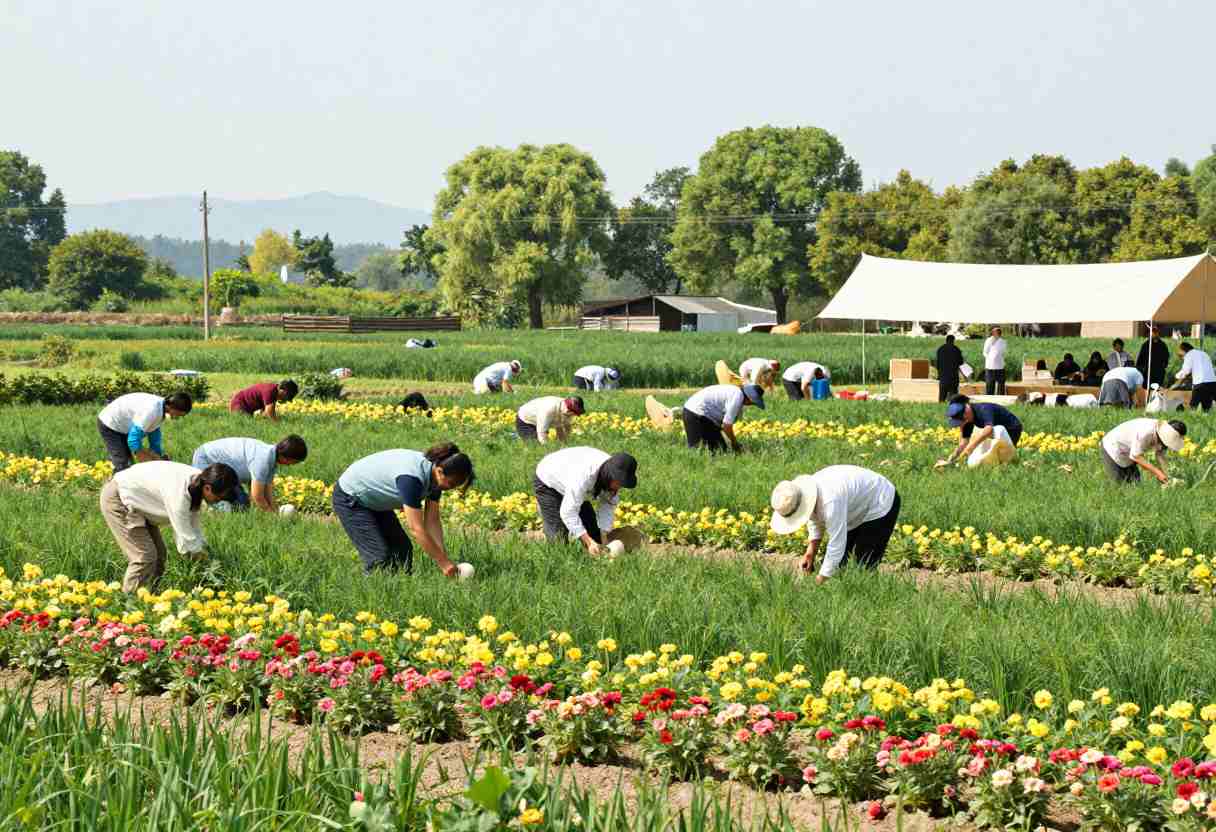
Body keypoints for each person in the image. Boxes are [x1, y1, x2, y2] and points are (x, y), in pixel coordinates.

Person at [332, 444, 474, 576]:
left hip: (374, 500)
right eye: (451, 483)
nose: (451, 487)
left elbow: (432, 520)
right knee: (379, 558)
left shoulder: (436, 479)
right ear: (439, 471)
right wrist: (444, 564)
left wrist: (442, 557)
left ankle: (397, 589)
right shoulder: (411, 479)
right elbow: (416, 529)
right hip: (351, 497)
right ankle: (369, 595)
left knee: (402, 550)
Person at [99, 461, 237, 592]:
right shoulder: (180, 494)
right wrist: (207, 565)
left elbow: (194, 529)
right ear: (208, 488)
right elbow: (186, 538)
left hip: (141, 501)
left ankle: (150, 599)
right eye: (218, 498)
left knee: (160, 556)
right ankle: (130, 605)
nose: (218, 502)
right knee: (144, 557)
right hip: (120, 498)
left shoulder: (198, 483)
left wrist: (205, 551)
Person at [768, 465, 900, 584]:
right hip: (854, 504)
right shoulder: (806, 495)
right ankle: (842, 590)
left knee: (864, 564)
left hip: (881, 501)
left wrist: (819, 582)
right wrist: (810, 553)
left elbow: (837, 544)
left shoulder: (830, 502)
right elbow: (814, 517)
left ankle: (867, 597)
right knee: (838, 564)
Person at [533, 447, 638, 553]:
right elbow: (568, 512)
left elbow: (607, 506)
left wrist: (604, 538)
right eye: (618, 482)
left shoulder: (612, 476)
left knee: (594, 532)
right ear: (609, 475)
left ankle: (594, 558)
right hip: (548, 479)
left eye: (622, 483)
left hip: (572, 483)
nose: (619, 487)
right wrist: (589, 542)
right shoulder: (585, 476)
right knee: (559, 538)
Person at [191, 435, 308, 512]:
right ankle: (206, 510)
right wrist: (273, 518)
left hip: (226, 475)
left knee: (242, 503)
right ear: (287, 457)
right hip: (207, 460)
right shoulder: (263, 459)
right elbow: (257, 497)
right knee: (221, 506)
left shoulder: (272, 460)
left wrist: (275, 511)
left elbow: (268, 493)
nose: (292, 465)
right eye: (294, 462)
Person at [97, 392, 193, 473]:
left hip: (125, 425)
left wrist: (158, 458)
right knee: (123, 465)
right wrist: (145, 461)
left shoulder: (162, 408)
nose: (178, 418)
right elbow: (133, 440)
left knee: (129, 462)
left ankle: (114, 465)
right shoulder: (151, 411)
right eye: (179, 415)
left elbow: (154, 436)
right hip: (111, 423)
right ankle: (114, 491)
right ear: (172, 407)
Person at [938, 394, 1023, 467]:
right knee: (973, 462)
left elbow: (989, 429)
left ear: (967, 410)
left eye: (961, 422)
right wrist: (953, 457)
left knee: (998, 430)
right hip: (995, 434)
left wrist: (972, 446)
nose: (961, 425)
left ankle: (1010, 459)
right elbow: (964, 442)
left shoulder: (983, 409)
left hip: (1011, 430)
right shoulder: (967, 420)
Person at [681, 383, 765, 453]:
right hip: (695, 413)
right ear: (749, 398)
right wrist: (734, 443)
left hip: (702, 415)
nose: (751, 405)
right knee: (697, 449)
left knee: (719, 449)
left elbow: (722, 423)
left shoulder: (735, 392)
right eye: (753, 403)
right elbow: (726, 425)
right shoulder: (737, 397)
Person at [1099, 417, 1186, 484]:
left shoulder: (1162, 435)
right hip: (1112, 448)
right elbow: (1135, 456)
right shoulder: (1145, 432)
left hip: (1129, 451)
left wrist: (1167, 475)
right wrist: (1158, 472)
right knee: (1120, 485)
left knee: (1135, 485)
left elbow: (1160, 455)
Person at [517, 396, 584, 443]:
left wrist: (564, 444)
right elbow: (542, 433)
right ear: (568, 411)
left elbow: (564, 427)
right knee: (535, 444)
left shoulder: (565, 409)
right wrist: (547, 450)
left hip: (540, 421)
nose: (573, 416)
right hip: (526, 420)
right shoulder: (548, 410)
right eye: (573, 414)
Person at [1174, 342, 1216, 411]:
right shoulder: (1204, 353)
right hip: (1212, 382)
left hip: (1200, 383)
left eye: (1179, 351)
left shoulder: (1189, 355)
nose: (1178, 353)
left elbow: (1185, 371)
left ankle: (1190, 417)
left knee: (1193, 407)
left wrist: (1176, 377)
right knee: (1206, 407)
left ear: (1182, 350)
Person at [229, 380, 298, 421]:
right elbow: (270, 412)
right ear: (284, 391)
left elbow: (264, 413)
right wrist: (277, 424)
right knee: (244, 424)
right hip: (239, 404)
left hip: (244, 406)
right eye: (287, 397)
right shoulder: (271, 391)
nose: (285, 400)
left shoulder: (273, 391)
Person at [934, 335, 965, 402]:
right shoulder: (956, 349)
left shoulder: (940, 349)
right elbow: (961, 362)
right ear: (953, 340)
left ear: (946, 340)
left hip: (943, 375)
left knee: (942, 394)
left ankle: (940, 405)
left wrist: (939, 373)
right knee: (953, 394)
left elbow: (937, 363)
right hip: (953, 376)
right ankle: (953, 406)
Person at [982, 326, 1007, 395]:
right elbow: (984, 352)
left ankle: (1001, 398)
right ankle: (989, 398)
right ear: (992, 333)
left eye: (998, 332)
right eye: (995, 332)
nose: (997, 334)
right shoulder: (988, 340)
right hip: (990, 366)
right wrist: (989, 358)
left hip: (1000, 366)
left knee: (1001, 384)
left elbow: (1003, 352)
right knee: (990, 384)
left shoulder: (1003, 341)